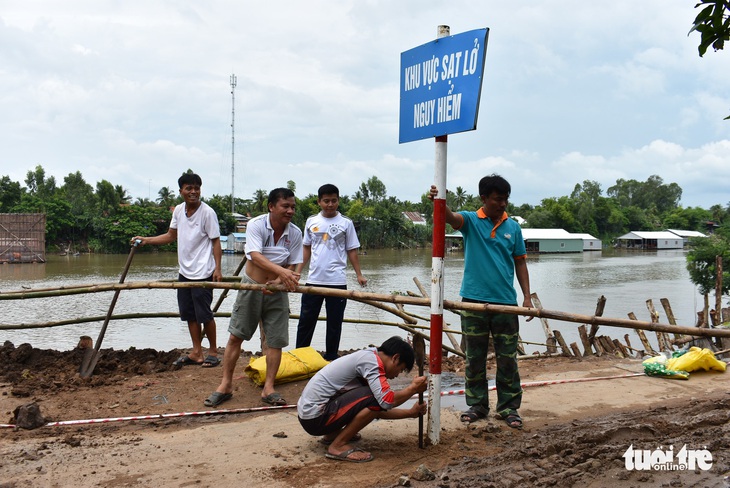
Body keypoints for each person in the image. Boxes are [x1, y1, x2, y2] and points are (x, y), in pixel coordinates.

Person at [429, 174, 532, 429]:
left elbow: (520, 262)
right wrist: (439, 200)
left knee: (508, 358)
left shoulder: (513, 228)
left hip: (505, 304)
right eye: (498, 199)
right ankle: (477, 405)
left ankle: (509, 407)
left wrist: (527, 297)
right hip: (473, 302)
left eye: (506, 199)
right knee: (474, 357)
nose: (503, 204)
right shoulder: (472, 221)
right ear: (484, 198)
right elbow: (451, 218)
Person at [204, 188, 303, 408]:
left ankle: (269, 388)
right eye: (285, 206)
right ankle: (226, 385)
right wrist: (283, 272)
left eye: (293, 207)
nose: (290, 211)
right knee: (236, 336)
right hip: (252, 286)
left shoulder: (295, 232)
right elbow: (255, 256)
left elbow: (295, 263)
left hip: (278, 291)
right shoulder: (257, 225)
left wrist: (280, 280)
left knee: (275, 341)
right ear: (271, 207)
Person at [132, 172, 222, 368]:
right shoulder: (179, 211)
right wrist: (147, 240)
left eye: (197, 188)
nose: (193, 192)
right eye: (189, 188)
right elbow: (171, 235)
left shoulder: (208, 212)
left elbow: (216, 241)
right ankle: (197, 352)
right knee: (189, 314)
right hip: (185, 271)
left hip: (203, 272)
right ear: (181, 191)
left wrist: (218, 268)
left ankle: (213, 351)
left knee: (204, 314)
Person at [297, 336, 427, 463]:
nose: (398, 374)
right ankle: (338, 445)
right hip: (315, 417)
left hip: (311, 415)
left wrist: (410, 413)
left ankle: (332, 434)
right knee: (374, 396)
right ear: (395, 358)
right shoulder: (371, 362)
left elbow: (374, 410)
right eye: (401, 369)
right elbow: (386, 401)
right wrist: (413, 389)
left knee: (374, 397)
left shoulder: (368, 357)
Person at [295, 184, 367, 361]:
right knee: (306, 320)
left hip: (337, 280)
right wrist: (297, 272)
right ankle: (300, 356)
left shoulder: (346, 223)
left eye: (334, 201)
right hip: (313, 280)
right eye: (326, 201)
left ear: (338, 201)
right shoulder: (312, 222)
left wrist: (359, 274)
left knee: (334, 322)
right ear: (319, 201)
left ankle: (331, 357)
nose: (330, 204)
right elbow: (306, 249)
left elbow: (352, 250)